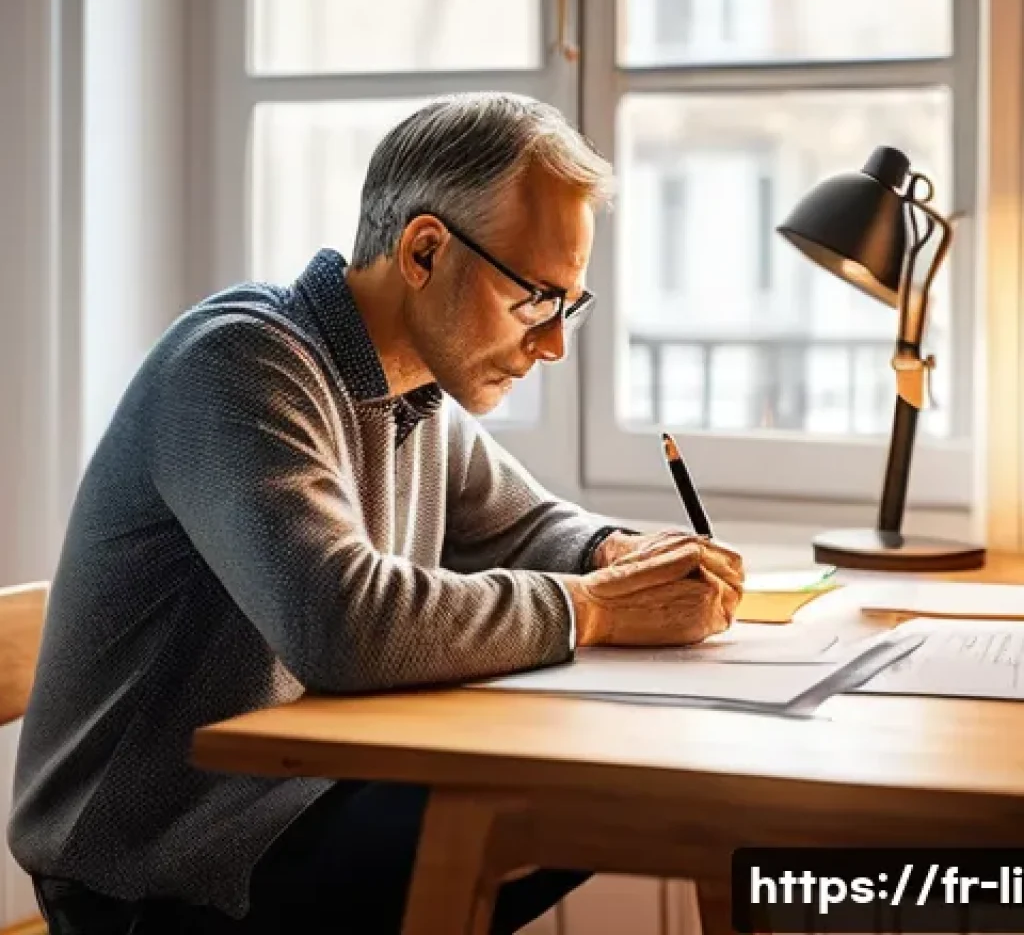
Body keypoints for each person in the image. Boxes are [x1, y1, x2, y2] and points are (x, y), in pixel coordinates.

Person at [8, 93, 745, 933]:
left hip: (291, 802)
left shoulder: (414, 393)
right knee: (601, 796)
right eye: (535, 298)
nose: (553, 345)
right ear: (426, 251)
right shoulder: (239, 365)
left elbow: (525, 528)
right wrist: (600, 609)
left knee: (646, 782)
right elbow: (344, 624)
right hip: (155, 868)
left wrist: (621, 555)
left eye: (568, 304)